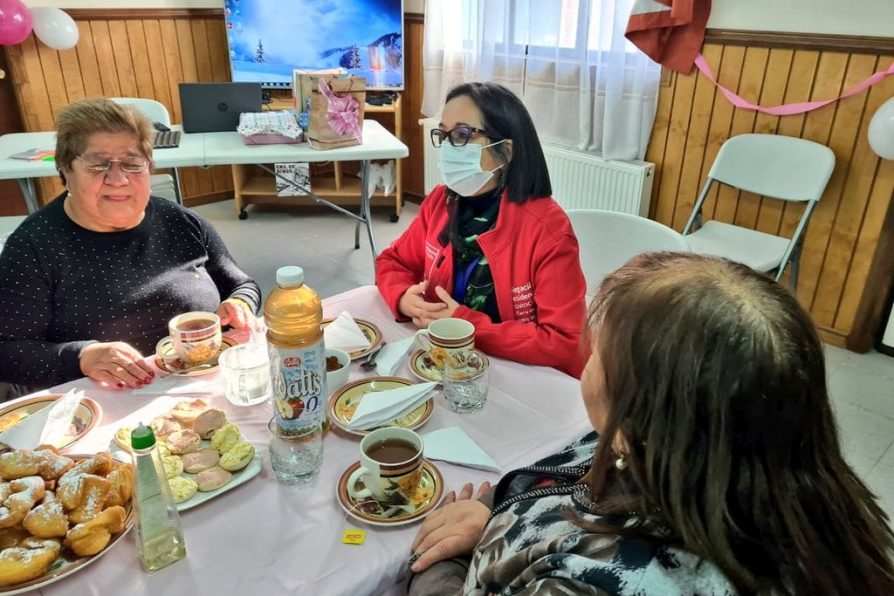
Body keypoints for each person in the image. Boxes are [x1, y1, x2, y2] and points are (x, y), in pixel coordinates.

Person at [407, 252, 894, 595]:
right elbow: (566, 473)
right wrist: (496, 511)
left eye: (598, 354)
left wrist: (446, 563)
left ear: (634, 418)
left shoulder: (598, 580)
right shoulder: (765, 474)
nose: (587, 361)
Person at [0, 98, 260, 393]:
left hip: (206, 387)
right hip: (100, 406)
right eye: (97, 164)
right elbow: (6, 351)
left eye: (133, 164)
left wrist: (240, 305)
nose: (118, 178)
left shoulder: (180, 221)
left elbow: (241, 285)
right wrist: (81, 357)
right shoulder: (33, 246)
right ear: (65, 170)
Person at [375, 82, 587, 377]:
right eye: (443, 134)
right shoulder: (441, 200)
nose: (449, 147)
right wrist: (402, 296)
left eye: (462, 135)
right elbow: (392, 261)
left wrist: (467, 324)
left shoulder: (547, 230)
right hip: (446, 364)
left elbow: (564, 342)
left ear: (505, 150)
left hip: (521, 378)